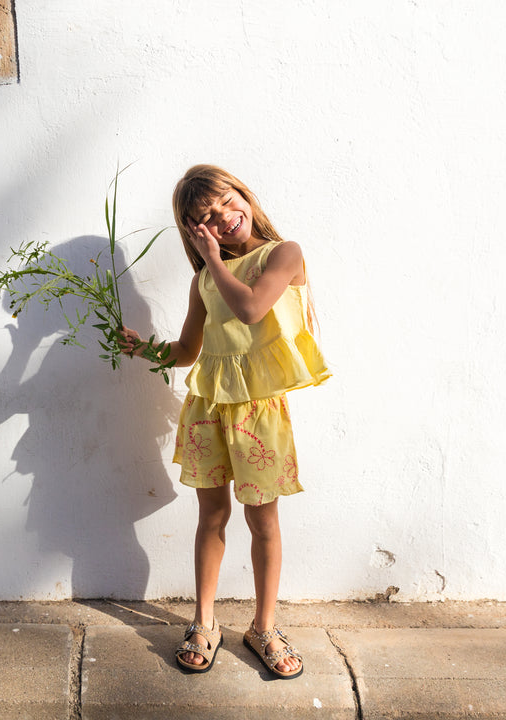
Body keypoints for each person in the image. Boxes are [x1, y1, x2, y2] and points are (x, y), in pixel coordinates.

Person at [120, 164, 330, 679]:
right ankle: (204, 621)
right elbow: (189, 351)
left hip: (259, 412)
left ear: (244, 193)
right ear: (194, 231)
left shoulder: (283, 255)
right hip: (208, 408)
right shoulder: (203, 282)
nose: (221, 218)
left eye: (224, 202)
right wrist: (146, 348)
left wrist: (213, 260)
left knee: (263, 519)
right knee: (211, 517)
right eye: (204, 219)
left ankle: (263, 626)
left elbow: (253, 310)